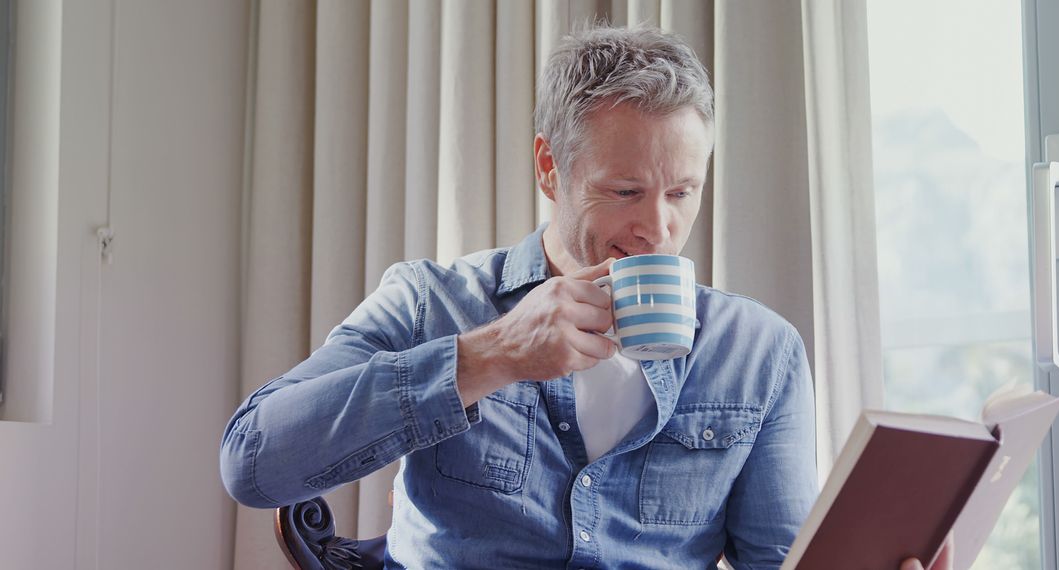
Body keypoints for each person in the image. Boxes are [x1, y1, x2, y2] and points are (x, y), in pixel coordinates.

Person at [220, 25, 952, 570]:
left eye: (682, 192)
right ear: (550, 167)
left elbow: (778, 558)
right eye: (625, 191)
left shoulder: (758, 354)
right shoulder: (430, 304)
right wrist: (489, 357)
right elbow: (252, 462)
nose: (657, 228)